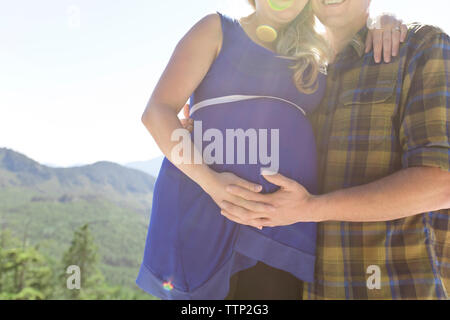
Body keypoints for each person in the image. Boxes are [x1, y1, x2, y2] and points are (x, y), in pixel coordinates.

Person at [137, 0, 404, 300]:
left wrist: (384, 18)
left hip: (282, 225)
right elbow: (157, 111)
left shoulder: (319, 51)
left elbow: (357, 28)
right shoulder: (216, 29)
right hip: (206, 207)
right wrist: (212, 184)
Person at [212, 0, 450, 300]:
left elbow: (440, 184)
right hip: (314, 288)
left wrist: (311, 208)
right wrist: (206, 123)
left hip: (399, 286)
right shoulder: (298, 73)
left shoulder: (421, 48)